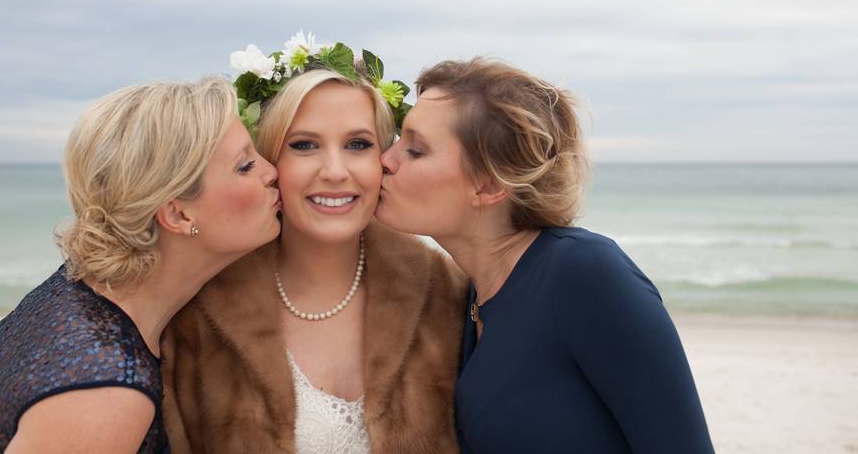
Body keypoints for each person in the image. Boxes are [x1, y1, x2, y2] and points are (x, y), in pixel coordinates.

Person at [376, 58, 715, 454]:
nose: (387, 158)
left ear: (488, 185)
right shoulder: (469, 296)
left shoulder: (586, 275)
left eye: (415, 150)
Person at [0, 77, 281, 454]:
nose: (271, 172)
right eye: (246, 165)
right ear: (177, 213)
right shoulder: (105, 392)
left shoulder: (81, 293)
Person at [162, 36, 467, 454]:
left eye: (358, 145)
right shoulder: (196, 310)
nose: (335, 171)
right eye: (304, 145)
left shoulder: (446, 292)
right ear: (269, 161)